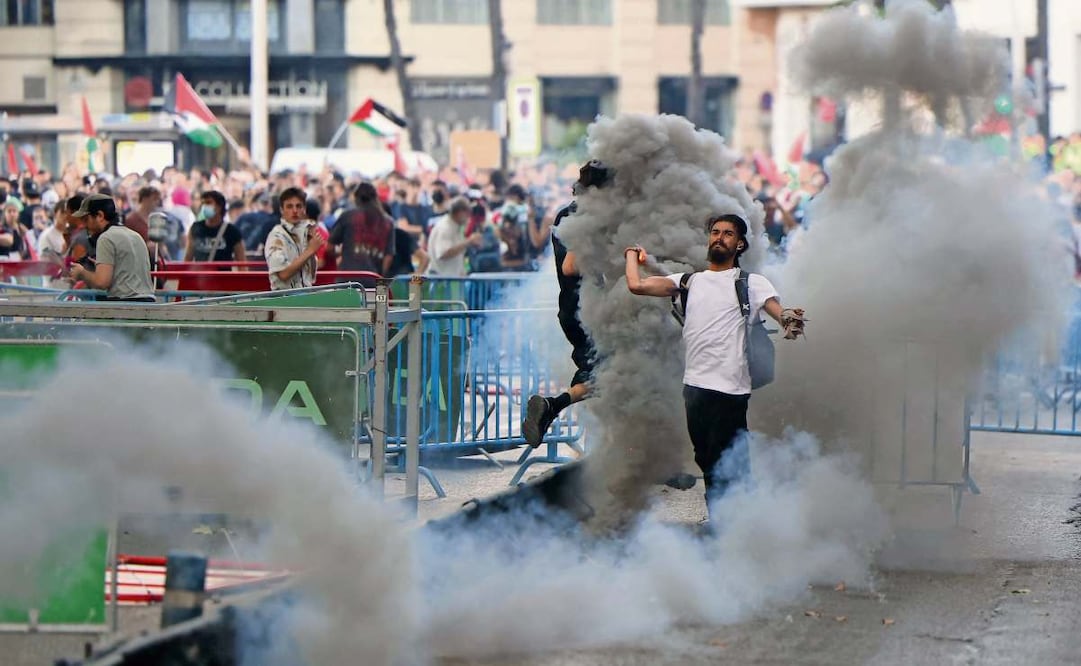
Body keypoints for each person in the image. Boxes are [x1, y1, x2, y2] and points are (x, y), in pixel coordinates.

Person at [624, 213, 806, 516]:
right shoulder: (689, 281)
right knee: (707, 460)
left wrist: (789, 319)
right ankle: (732, 522)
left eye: (728, 234)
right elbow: (636, 285)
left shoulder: (751, 282)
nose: (720, 238)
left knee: (727, 463)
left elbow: (779, 312)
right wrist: (631, 254)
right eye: (715, 232)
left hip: (730, 390)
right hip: (695, 388)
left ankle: (731, 527)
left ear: (740, 244)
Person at [521, 160, 611, 448]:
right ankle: (553, 406)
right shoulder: (582, 217)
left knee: (602, 375)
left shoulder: (567, 213)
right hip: (587, 312)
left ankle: (555, 409)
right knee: (616, 373)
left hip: (580, 310)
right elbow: (572, 265)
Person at [67, 193, 155, 302]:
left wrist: (82, 273)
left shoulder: (106, 238)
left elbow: (102, 282)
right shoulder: (135, 236)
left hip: (124, 306)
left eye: (86, 219)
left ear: (100, 216)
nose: (84, 225)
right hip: (147, 302)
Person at [328, 182, 395, 277]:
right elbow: (388, 256)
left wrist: (342, 254)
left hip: (347, 280)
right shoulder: (389, 222)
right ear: (376, 198)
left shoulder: (347, 216)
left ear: (355, 198)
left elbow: (329, 247)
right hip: (374, 279)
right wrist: (380, 278)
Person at [265, 187, 325, 290]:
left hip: (305, 295)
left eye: (298, 206)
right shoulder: (276, 236)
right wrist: (310, 250)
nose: (294, 211)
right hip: (284, 298)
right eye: (289, 206)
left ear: (304, 209)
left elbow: (310, 276)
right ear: (281, 210)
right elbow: (283, 274)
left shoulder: (307, 233)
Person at [426, 197, 482, 277]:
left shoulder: (456, 228)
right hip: (442, 281)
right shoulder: (445, 228)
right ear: (460, 212)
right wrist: (468, 241)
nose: (469, 217)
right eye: (467, 213)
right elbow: (443, 253)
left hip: (453, 280)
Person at [185, 190, 245, 263]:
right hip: (200, 274)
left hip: (222, 274)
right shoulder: (195, 228)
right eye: (203, 203)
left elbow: (241, 261)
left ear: (219, 206)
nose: (204, 206)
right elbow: (188, 258)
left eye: (208, 203)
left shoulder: (232, 231)